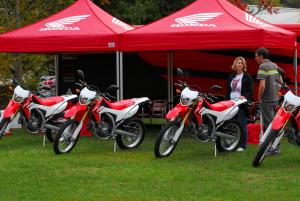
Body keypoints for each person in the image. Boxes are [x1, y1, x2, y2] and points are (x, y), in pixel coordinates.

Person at [255, 47, 282, 155]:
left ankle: (274, 149)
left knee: (270, 126)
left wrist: (259, 98)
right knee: (275, 124)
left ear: (261, 56)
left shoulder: (262, 66)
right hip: (275, 99)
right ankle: (276, 147)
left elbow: (262, 85)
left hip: (266, 100)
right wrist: (276, 91)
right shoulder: (274, 65)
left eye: (256, 56)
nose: (255, 58)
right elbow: (280, 81)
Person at [226, 56, 253, 152]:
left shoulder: (247, 76)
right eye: (238, 62)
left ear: (244, 65)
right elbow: (228, 90)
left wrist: (244, 96)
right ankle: (231, 143)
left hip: (241, 104)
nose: (240, 64)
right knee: (230, 124)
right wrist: (226, 102)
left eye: (241, 63)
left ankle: (242, 146)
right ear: (235, 65)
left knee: (242, 124)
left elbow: (250, 91)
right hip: (231, 104)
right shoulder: (231, 76)